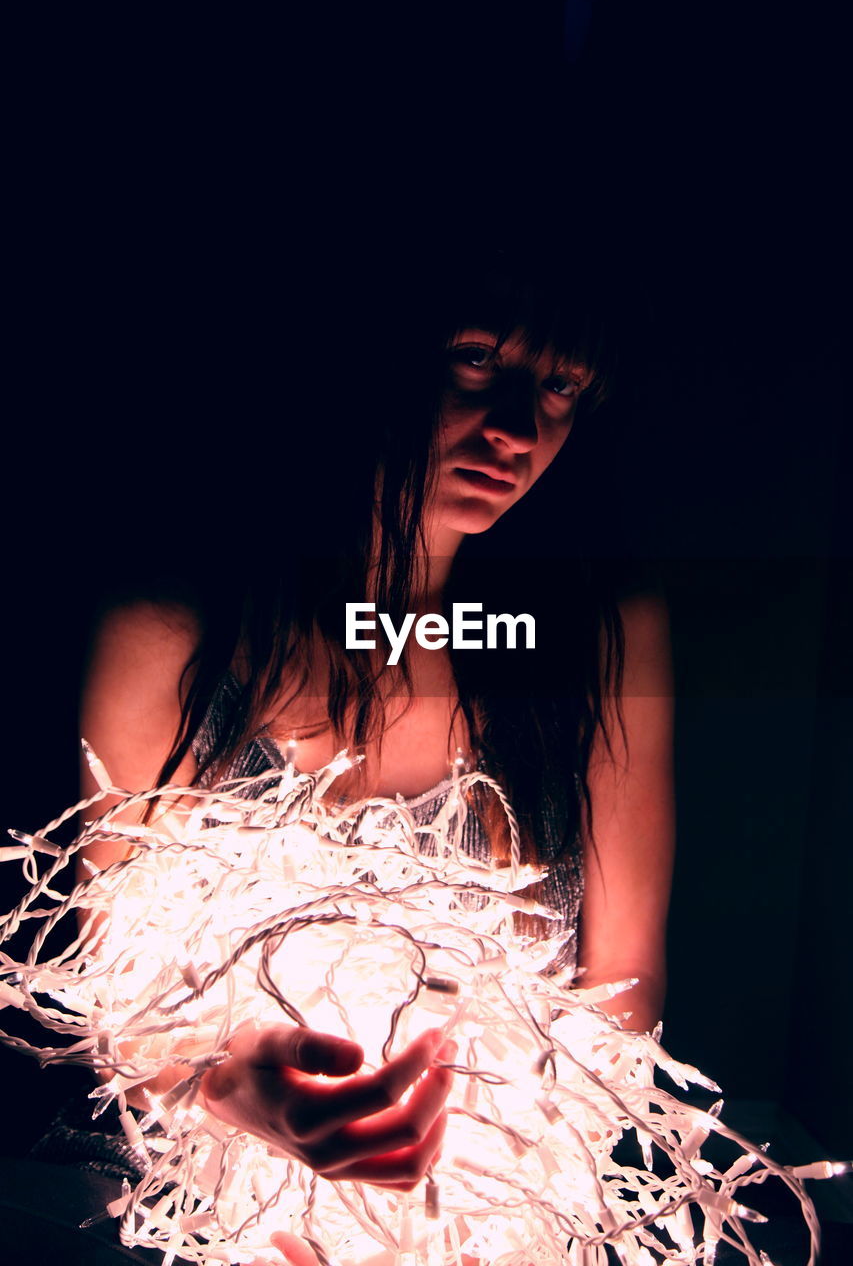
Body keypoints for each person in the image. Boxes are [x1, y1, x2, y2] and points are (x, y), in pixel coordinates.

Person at [43, 246, 675, 1262]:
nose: (516, 429)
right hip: (236, 1229)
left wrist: (521, 1204)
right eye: (476, 359)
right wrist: (229, 1079)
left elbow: (626, 978)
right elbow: (118, 998)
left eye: (559, 386)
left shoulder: (598, 636)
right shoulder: (172, 635)